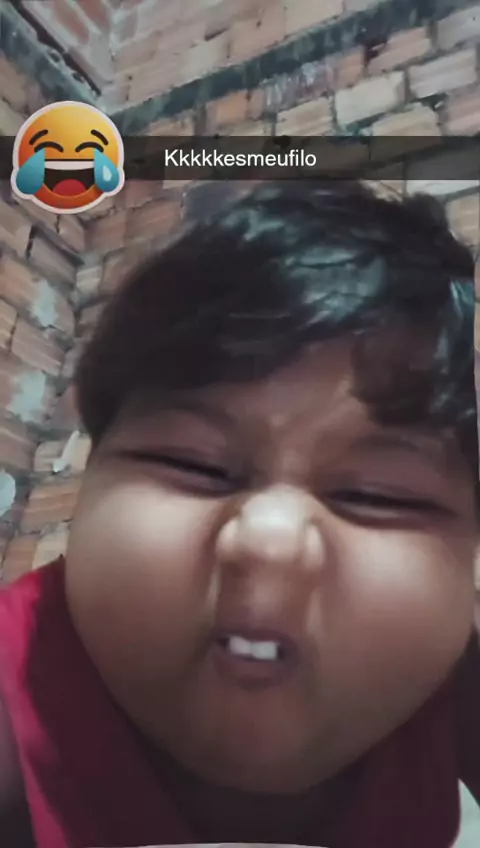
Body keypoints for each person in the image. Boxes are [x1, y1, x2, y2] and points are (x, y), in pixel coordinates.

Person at [0, 179, 479, 848]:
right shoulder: (17, 675)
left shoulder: (456, 682)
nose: (268, 540)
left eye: (379, 495)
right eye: (194, 463)